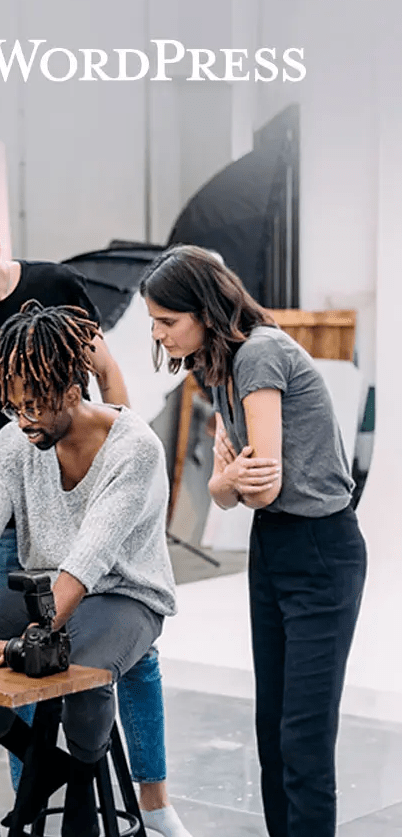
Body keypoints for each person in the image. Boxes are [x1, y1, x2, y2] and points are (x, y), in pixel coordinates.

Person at [0, 199, 190, 836]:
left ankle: (84, 787)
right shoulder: (17, 436)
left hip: (122, 594)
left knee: (73, 669)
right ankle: (43, 760)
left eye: (35, 405)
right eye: (14, 407)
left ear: (73, 387)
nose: (23, 420)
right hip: (43, 580)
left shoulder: (133, 450)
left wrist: (21, 644)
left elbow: (88, 563)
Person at [140, 245, 367, 837]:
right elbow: (223, 491)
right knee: (273, 728)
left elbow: (261, 486)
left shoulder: (260, 355)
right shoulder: (221, 367)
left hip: (320, 549)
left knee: (304, 736)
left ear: (204, 311)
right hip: (274, 548)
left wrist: (234, 479)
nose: (160, 336)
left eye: (167, 322)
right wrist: (228, 479)